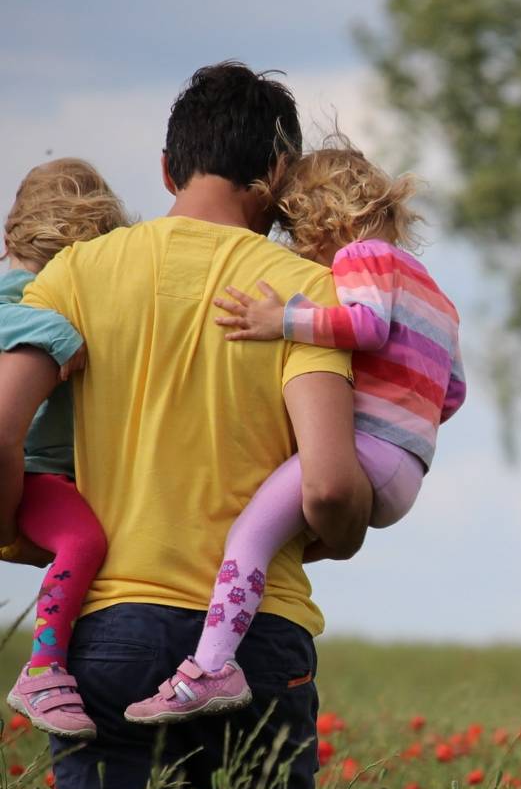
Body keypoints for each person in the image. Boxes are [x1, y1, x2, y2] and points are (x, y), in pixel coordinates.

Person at [0, 61, 372, 789]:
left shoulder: (74, 272)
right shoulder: (303, 293)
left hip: (109, 635)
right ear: (277, 176)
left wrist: (18, 531)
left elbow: (3, 428)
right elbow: (333, 485)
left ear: (168, 169)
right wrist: (340, 535)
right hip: (256, 641)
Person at [124, 140, 466, 724]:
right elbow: (452, 393)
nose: (298, 248)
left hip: (365, 451)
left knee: (248, 537)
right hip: (408, 467)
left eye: (296, 230)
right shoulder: (437, 294)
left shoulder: (363, 258)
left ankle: (211, 668)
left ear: (324, 218)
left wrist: (279, 320)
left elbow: (365, 325)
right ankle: (228, 642)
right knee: (277, 540)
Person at [1, 159, 129, 739]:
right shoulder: (22, 298)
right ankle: (43, 667)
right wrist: (57, 333)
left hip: (59, 470)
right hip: (31, 471)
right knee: (83, 540)